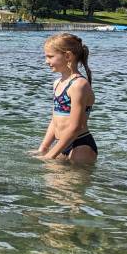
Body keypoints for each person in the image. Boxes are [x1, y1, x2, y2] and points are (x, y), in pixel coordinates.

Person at [33, 33, 97, 164]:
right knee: (52, 183)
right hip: (62, 144)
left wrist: (50, 155)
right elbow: (55, 120)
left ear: (67, 56)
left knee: (67, 184)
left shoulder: (79, 84)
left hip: (80, 146)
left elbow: (75, 127)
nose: (46, 61)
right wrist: (44, 148)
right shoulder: (57, 83)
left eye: (50, 56)